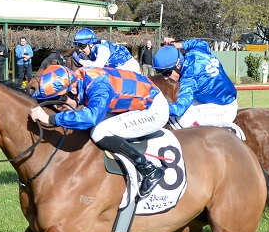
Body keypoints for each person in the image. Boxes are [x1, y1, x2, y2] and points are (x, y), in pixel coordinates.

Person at [29, 65, 169, 197]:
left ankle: (148, 169)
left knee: (99, 132)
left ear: (73, 90)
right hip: (135, 102)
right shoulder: (78, 80)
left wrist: (51, 119)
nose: (59, 107)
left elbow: (91, 117)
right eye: (54, 102)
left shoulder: (98, 86)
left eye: (60, 100)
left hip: (153, 109)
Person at [152, 38, 238, 129]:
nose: (165, 78)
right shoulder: (196, 52)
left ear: (178, 65)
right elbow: (202, 43)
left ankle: (229, 133)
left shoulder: (190, 79)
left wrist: (152, 106)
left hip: (224, 109)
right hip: (222, 98)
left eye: (167, 73)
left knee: (183, 120)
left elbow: (178, 110)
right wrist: (178, 45)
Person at [72, 27, 140, 72]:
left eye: (82, 46)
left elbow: (97, 67)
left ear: (91, 44)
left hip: (129, 69)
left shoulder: (102, 49)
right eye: (78, 46)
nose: (80, 50)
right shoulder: (92, 50)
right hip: (116, 70)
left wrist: (79, 60)